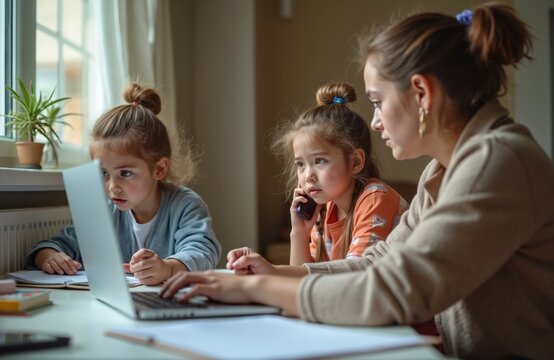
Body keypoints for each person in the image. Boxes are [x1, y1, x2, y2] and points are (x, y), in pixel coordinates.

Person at [160, 3, 554, 359]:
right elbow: (376, 263)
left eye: (379, 101)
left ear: (421, 93)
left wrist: (251, 290)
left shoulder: (497, 162)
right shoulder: (443, 170)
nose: (377, 121)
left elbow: (395, 290)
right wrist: (275, 275)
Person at [25, 83, 222, 285]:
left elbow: (202, 250)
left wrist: (168, 268)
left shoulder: (185, 205)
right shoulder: (105, 209)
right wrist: (50, 257)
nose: (112, 187)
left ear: (159, 169)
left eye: (125, 173)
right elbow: (57, 244)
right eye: (104, 173)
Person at [271, 81, 407, 266]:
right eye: (300, 164)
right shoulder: (324, 211)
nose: (308, 176)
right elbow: (302, 280)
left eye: (319, 161)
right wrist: (300, 233)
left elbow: (356, 275)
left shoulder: (375, 199)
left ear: (356, 162)